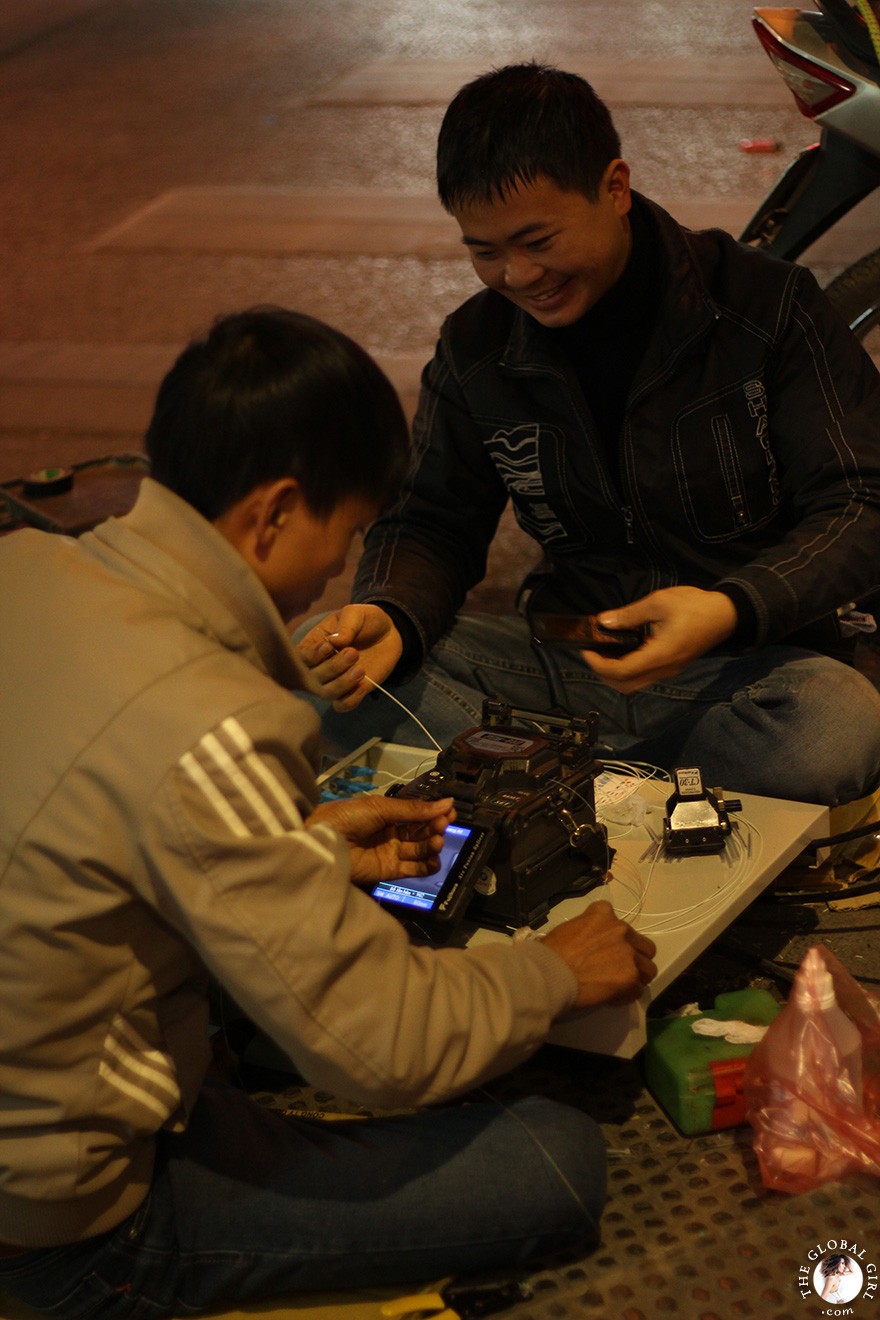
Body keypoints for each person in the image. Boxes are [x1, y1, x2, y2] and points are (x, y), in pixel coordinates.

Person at [0, 307, 657, 1319]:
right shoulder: (217, 721)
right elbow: (378, 1048)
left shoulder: (26, 571)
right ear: (273, 512)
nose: (335, 573)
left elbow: (90, 834)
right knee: (554, 1163)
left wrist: (304, 848)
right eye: (346, 536)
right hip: (60, 1225)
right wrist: (550, 974)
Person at [298, 62, 880, 808]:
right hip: (570, 660)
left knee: (836, 726)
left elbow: (862, 501)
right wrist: (389, 614)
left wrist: (732, 606)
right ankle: (619, 794)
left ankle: (546, 785)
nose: (515, 275)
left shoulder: (763, 307)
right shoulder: (477, 346)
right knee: (317, 661)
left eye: (538, 240)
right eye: (484, 251)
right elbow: (430, 519)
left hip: (747, 662)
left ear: (614, 187)